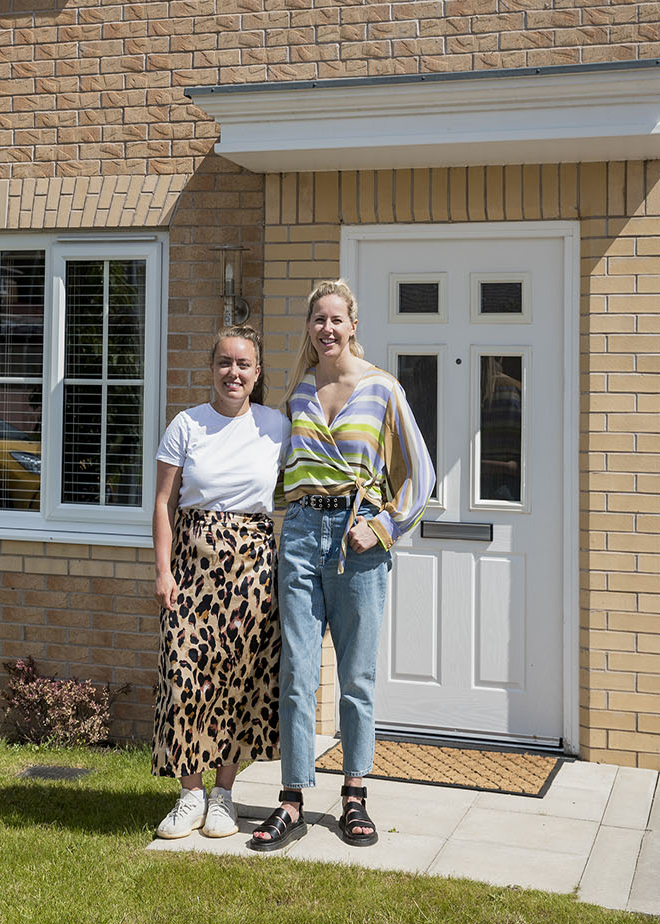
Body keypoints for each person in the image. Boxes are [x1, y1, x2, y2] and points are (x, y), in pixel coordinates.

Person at [248, 280, 435, 851]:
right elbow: (274, 474)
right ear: (309, 328)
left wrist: (381, 527)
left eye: (336, 319)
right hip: (301, 536)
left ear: (353, 324)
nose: (326, 330)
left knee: (356, 678)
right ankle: (292, 799)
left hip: (359, 542)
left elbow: (421, 475)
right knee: (298, 675)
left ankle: (355, 796)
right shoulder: (298, 395)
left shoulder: (382, 389)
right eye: (317, 320)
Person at [151, 324, 290, 839]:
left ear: (257, 374)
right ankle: (190, 794)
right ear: (212, 369)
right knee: (184, 674)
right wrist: (163, 570)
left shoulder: (276, 425)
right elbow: (164, 505)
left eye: (244, 364)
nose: (234, 372)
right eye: (225, 363)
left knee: (239, 678)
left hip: (253, 568)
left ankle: (224, 796)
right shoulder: (186, 425)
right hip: (192, 564)